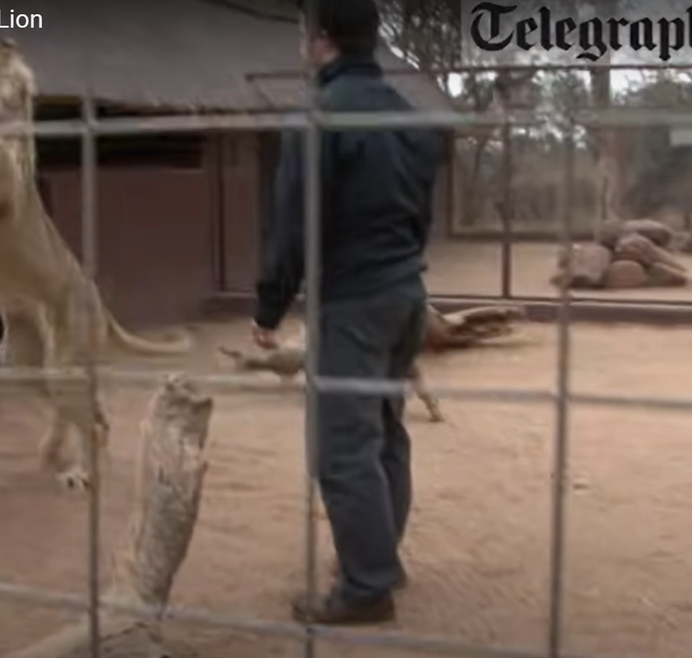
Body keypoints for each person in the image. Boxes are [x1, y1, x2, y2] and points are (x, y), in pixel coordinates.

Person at [251, 0, 447, 625]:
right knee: (385, 431)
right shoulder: (410, 117)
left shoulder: (316, 117)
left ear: (321, 39)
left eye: (304, 35)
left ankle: (366, 587)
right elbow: (422, 215)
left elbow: (293, 225)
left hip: (352, 301)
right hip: (404, 293)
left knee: (341, 448)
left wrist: (269, 305)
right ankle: (380, 559)